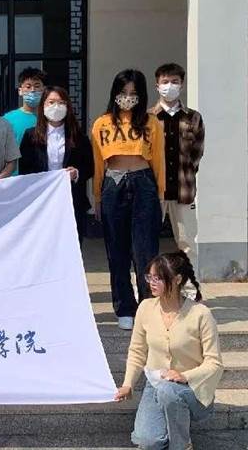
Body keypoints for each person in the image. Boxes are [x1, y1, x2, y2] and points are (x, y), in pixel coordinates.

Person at [115, 251, 222, 450]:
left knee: (169, 391)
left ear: (177, 279)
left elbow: (214, 363)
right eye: (150, 277)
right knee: (149, 442)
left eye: (158, 278)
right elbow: (137, 351)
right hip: (156, 384)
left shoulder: (201, 314)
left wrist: (185, 376)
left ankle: (181, 445)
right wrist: (128, 384)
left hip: (194, 389)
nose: (152, 283)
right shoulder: (145, 307)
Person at [91, 69, 165, 330]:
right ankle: (124, 307)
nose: (128, 97)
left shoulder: (151, 122)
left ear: (141, 95)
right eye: (123, 92)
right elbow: (98, 163)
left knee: (145, 250)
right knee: (117, 250)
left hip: (143, 182)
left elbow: (158, 160)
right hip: (113, 183)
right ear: (115, 93)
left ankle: (148, 306)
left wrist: (161, 195)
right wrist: (97, 197)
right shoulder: (102, 123)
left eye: (133, 93)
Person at [148, 63, 205, 277]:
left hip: (184, 190)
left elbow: (197, 154)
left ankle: (190, 288)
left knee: (187, 243)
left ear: (181, 85)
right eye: (165, 82)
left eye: (174, 81)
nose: (169, 86)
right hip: (153, 191)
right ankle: (146, 288)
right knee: (146, 241)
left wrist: (186, 175)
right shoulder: (148, 117)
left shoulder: (194, 118)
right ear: (157, 85)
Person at [19, 86, 94, 243]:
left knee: (70, 244)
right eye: (51, 102)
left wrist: (76, 173)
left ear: (67, 107)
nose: (56, 107)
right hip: (41, 200)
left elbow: (89, 167)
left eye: (61, 103)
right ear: (43, 106)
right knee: (43, 244)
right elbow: (24, 169)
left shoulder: (78, 136)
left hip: (71, 200)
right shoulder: (31, 136)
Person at [4, 67, 48, 175]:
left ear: (44, 90)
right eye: (28, 86)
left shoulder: (51, 119)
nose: (32, 90)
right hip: (15, 177)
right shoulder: (7, 119)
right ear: (20, 91)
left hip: (44, 178)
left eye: (37, 86)